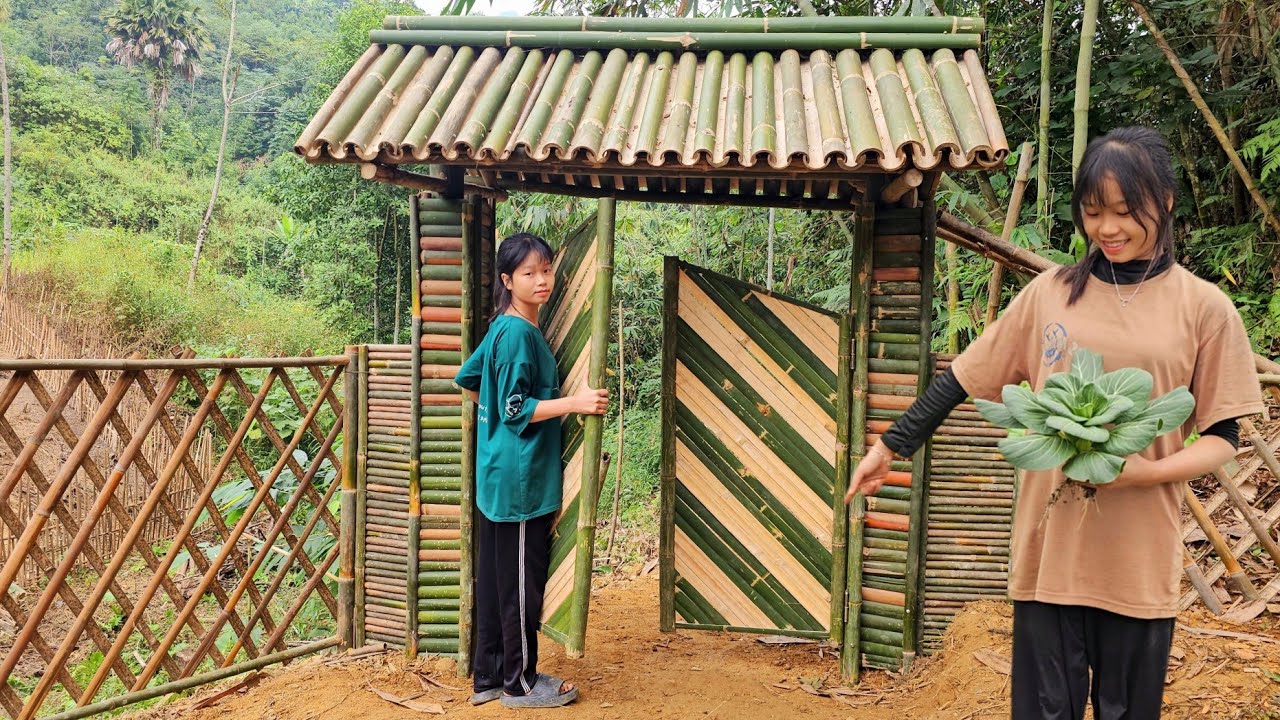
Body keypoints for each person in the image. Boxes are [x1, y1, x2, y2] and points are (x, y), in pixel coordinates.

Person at [845, 126, 1264, 720]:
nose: (1107, 228)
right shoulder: (1050, 294)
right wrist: (891, 445)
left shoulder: (1204, 308)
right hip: (1049, 555)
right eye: (1093, 212)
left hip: (1138, 559)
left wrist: (1143, 473)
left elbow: (1223, 439)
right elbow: (966, 375)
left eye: (1125, 211)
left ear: (1166, 201)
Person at [454, 232, 609, 709]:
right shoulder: (519, 335)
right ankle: (519, 684)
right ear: (508, 280)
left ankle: (488, 676)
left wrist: (496, 425)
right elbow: (515, 408)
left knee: (496, 580)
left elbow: (469, 380)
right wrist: (575, 403)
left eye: (546, 270)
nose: (542, 280)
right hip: (519, 482)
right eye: (529, 273)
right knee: (521, 585)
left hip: (497, 474)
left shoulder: (502, 327)